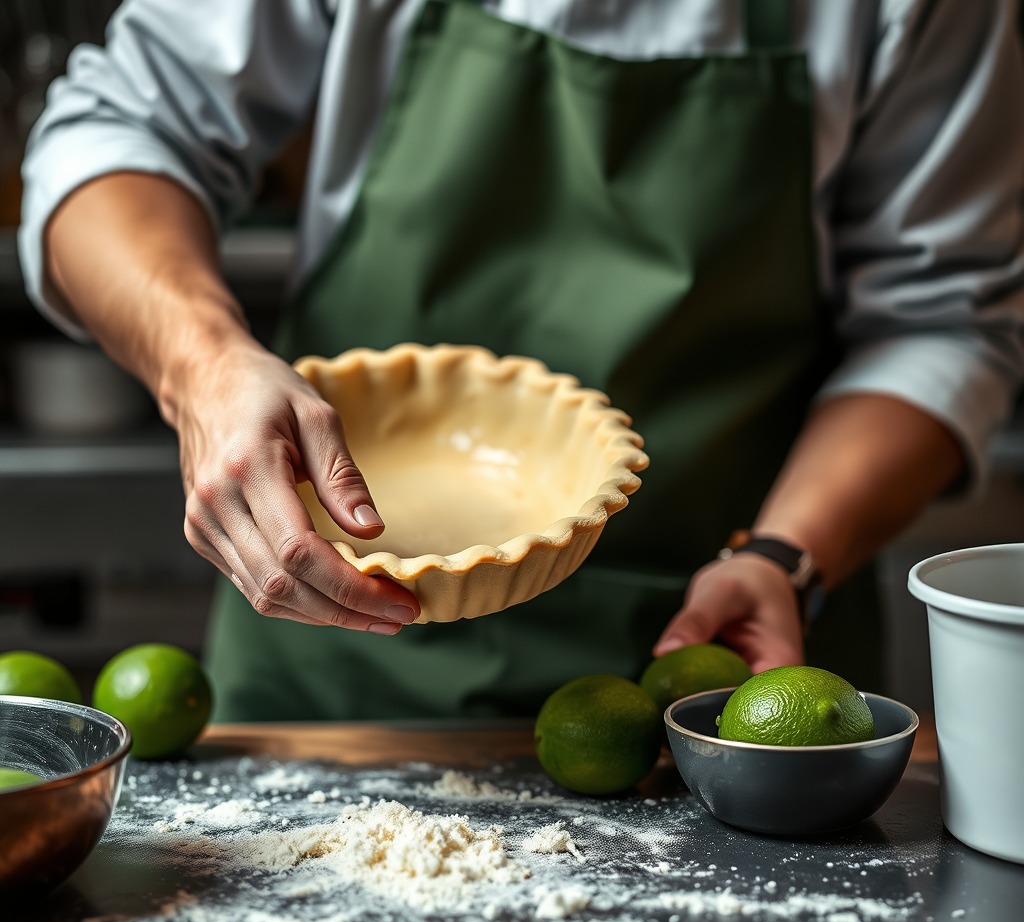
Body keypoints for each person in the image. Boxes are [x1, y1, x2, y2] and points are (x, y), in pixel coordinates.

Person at [18, 0, 1024, 721]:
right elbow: (116, 132)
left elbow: (943, 322)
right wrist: (201, 364)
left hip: (714, 683)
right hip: (329, 685)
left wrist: (781, 556)